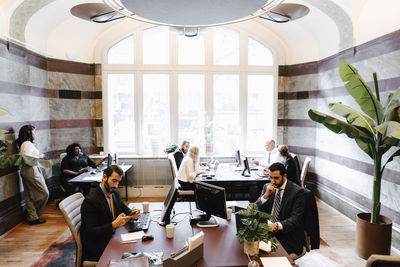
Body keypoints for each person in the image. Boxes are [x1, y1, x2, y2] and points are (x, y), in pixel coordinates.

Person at [80, 165, 141, 262]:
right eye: (114, 181)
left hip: (111, 236)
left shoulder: (114, 192)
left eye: (118, 182)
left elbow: (123, 208)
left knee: (137, 248)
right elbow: (89, 232)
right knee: (134, 257)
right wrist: (113, 224)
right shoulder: (91, 201)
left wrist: (132, 214)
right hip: (98, 245)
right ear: (104, 177)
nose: (116, 185)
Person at [255, 163, 306, 257]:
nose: (273, 181)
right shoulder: (267, 187)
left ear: (284, 176)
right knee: (250, 247)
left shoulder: (297, 192)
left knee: (269, 256)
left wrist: (276, 226)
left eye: (276, 178)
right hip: (267, 232)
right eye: (270, 177)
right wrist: (265, 197)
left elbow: (295, 219)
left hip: (287, 234)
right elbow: (255, 209)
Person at [16, 125, 49, 225]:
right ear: (29, 132)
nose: (35, 133)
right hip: (30, 169)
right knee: (44, 194)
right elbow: (28, 159)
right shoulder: (27, 144)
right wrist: (40, 156)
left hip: (26, 170)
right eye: (34, 131)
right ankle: (34, 214)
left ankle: (32, 217)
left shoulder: (25, 144)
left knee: (29, 195)